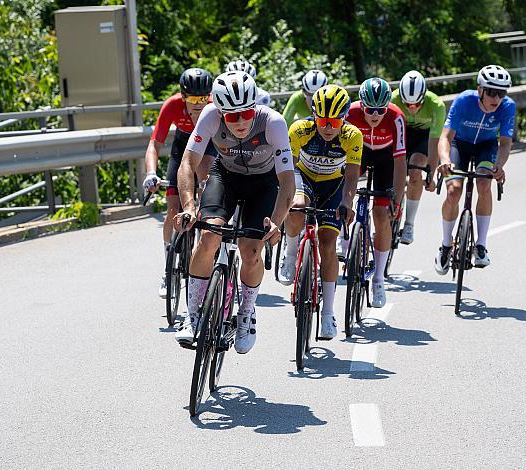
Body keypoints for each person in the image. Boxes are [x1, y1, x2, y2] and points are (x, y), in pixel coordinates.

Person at [171, 71, 295, 354]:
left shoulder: (273, 122)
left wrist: (276, 223)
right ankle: (192, 317)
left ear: (256, 106)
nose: (240, 122)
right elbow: (188, 164)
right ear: (221, 111)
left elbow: (287, 181)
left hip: (263, 184)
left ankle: (246, 314)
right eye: (232, 116)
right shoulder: (211, 115)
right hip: (225, 177)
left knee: (251, 252)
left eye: (246, 113)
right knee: (208, 237)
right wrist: (190, 206)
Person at [278, 85, 362, 339]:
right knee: (298, 207)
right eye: (323, 120)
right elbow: (287, 171)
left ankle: (327, 314)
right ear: (314, 114)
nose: (328, 127)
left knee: (328, 243)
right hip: (302, 177)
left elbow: (351, 176)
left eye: (335, 121)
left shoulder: (352, 136)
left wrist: (347, 202)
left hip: (333, 186)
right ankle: (291, 253)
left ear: (344, 118)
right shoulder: (299, 130)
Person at [142, 68, 216, 297]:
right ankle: (168, 268)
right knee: (173, 209)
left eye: (203, 98)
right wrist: (151, 173)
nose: (198, 104)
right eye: (193, 98)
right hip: (182, 147)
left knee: (206, 186)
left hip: (207, 147)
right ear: (183, 96)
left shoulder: (214, 107)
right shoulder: (172, 105)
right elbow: (155, 144)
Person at [435, 65, 515, 274]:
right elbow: (445, 137)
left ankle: (480, 245)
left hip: (486, 147)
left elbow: (505, 143)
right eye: (491, 92)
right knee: (453, 190)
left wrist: (499, 165)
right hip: (459, 144)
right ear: (480, 90)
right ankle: (445, 245)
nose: (496, 98)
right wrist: (444, 159)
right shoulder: (464, 100)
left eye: (502, 93)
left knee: (483, 183)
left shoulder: (508, 106)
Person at [346, 77, 407, 307]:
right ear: (361, 104)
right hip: (357, 154)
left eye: (380, 110)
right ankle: (345, 241)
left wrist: (397, 200)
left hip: (385, 159)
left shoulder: (396, 116)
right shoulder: (350, 114)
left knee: (381, 216)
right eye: (369, 109)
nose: (374, 114)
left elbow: (400, 162)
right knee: (344, 194)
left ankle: (379, 278)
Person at [391, 70, 446, 244]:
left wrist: (430, 172)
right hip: (402, 133)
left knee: (416, 171)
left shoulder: (436, 105)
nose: (412, 108)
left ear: (424, 97)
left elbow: (434, 141)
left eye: (417, 104)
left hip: (424, 137)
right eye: (407, 104)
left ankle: (408, 224)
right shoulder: (393, 100)